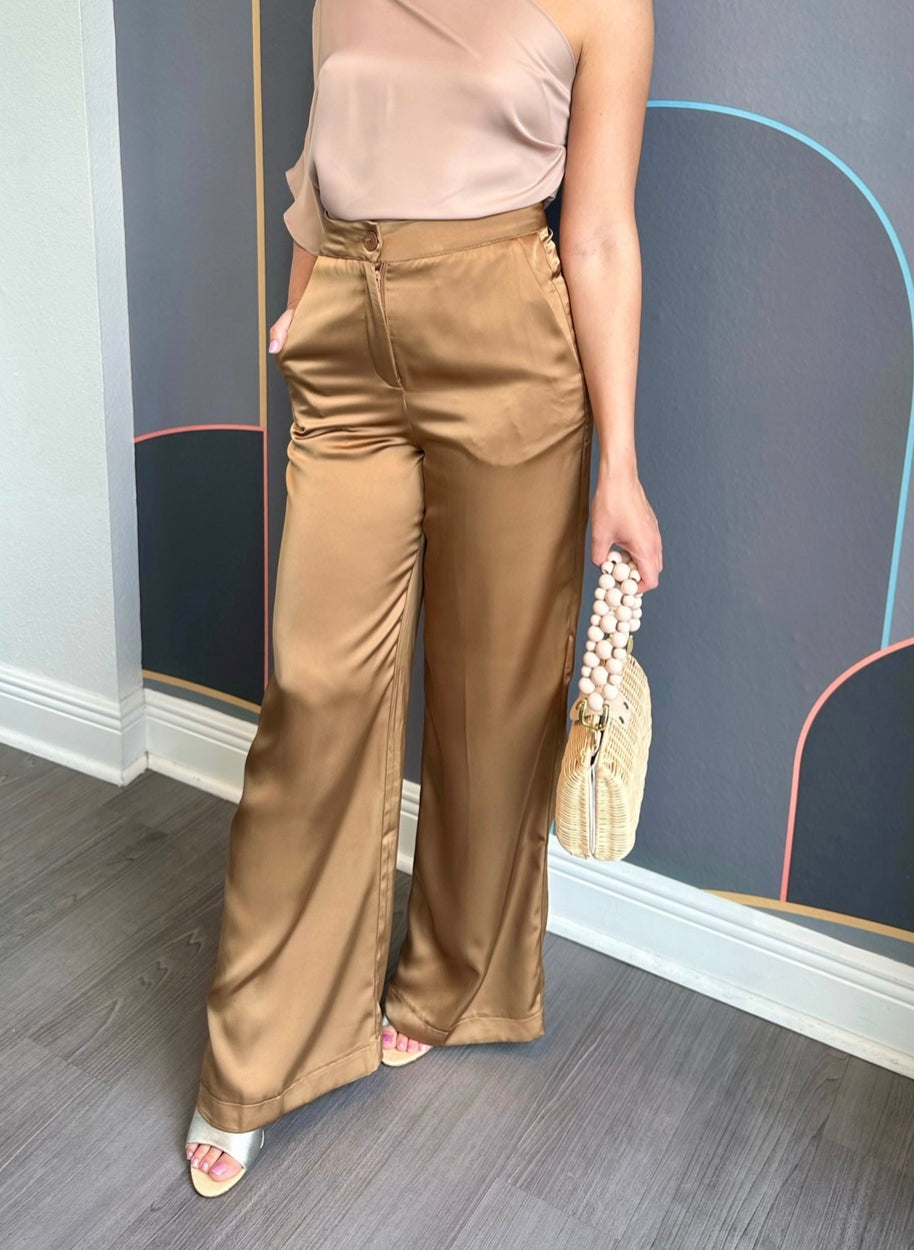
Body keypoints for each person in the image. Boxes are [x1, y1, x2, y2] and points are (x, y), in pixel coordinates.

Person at [185, 0, 662, 1196]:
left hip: (508, 338)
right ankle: (256, 1057)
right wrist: (303, 303)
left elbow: (599, 232)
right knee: (314, 694)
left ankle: (450, 979)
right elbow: (320, 167)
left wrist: (620, 465)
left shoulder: (606, 6)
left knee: (495, 694)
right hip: (348, 337)